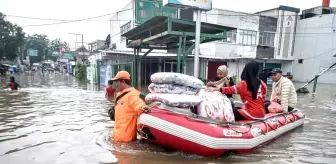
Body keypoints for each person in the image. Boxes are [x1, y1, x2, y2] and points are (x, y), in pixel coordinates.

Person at [109, 71, 148, 142]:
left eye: (117, 82)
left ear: (123, 81)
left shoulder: (132, 95)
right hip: (116, 137)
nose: (116, 84)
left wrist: (143, 107)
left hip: (126, 141)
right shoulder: (120, 95)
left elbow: (140, 105)